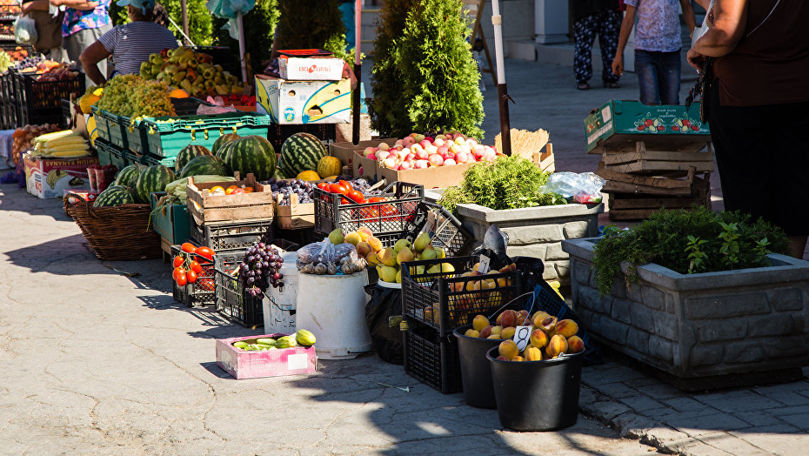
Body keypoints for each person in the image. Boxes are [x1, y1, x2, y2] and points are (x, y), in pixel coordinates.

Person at [687, 0, 809, 258]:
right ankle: (791, 272)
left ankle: (759, 272)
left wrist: (698, 46)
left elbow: (724, 35)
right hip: (799, 92)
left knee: (748, 199)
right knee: (794, 193)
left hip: (743, 97)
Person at [612, 0, 696, 105]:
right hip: (645, 50)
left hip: (671, 50)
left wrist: (696, 41)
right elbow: (628, 19)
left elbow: (687, 7)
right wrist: (619, 54)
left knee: (672, 102)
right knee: (650, 101)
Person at [80, 0, 177, 85]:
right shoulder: (168, 35)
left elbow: (85, 58)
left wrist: (104, 86)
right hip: (161, 92)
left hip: (126, 93)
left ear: (129, 10)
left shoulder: (120, 33)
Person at [573, 0, 623, 90]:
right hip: (586, 8)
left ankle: (612, 76)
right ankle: (582, 78)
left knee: (611, 43)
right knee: (583, 44)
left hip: (610, 7)